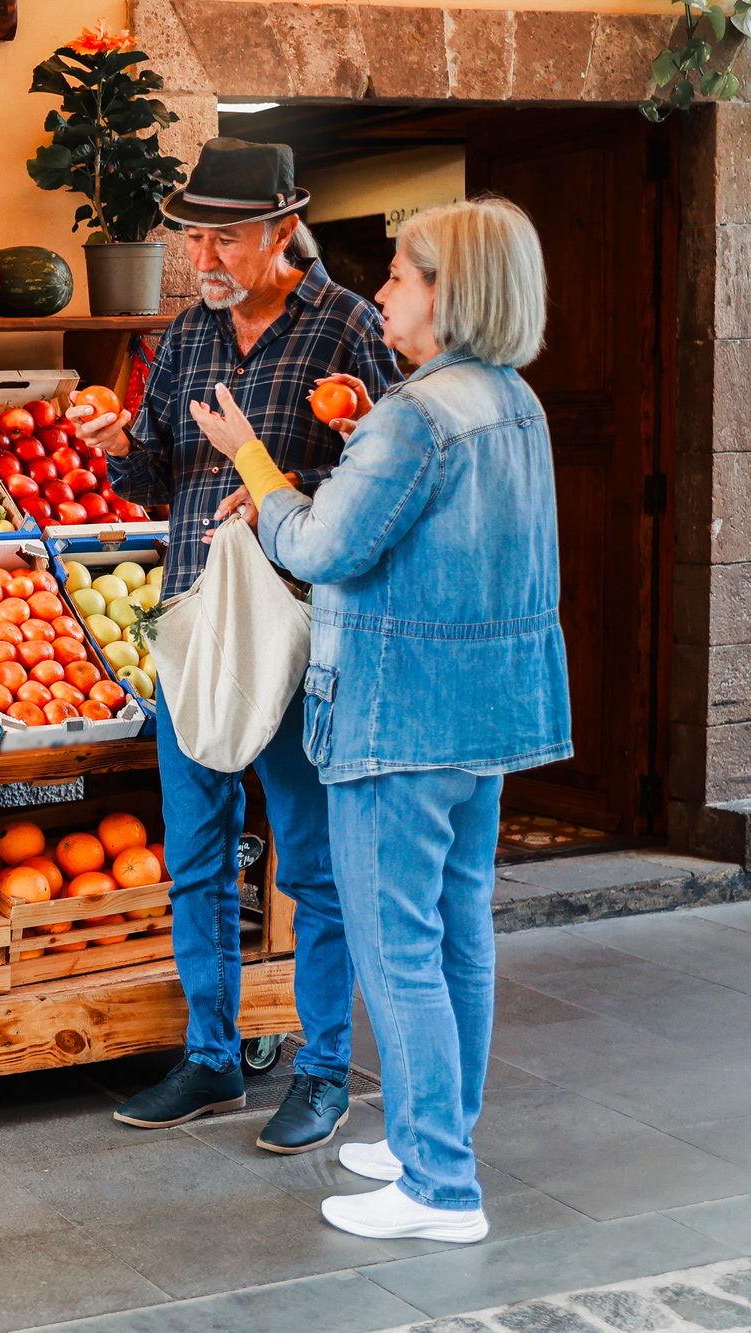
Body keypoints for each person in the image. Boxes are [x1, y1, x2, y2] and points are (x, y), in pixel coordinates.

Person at [187, 197, 570, 1244]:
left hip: (397, 716)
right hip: (485, 713)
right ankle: (423, 1136)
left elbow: (316, 547)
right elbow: (457, 533)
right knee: (455, 936)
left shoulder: (415, 413)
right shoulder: (508, 401)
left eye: (399, 274)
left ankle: (439, 1188)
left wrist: (249, 462)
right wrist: (358, 441)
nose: (384, 291)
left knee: (398, 946)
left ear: (446, 294)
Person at [75, 137, 400, 1155]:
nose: (199, 255)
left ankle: (317, 1072)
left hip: (301, 636)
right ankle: (211, 1056)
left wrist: (320, 455)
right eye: (191, 235)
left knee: (310, 863)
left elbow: (391, 474)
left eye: (219, 236)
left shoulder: (345, 325)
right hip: (197, 627)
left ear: (276, 230)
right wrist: (109, 445)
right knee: (197, 855)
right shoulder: (184, 336)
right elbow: (155, 476)